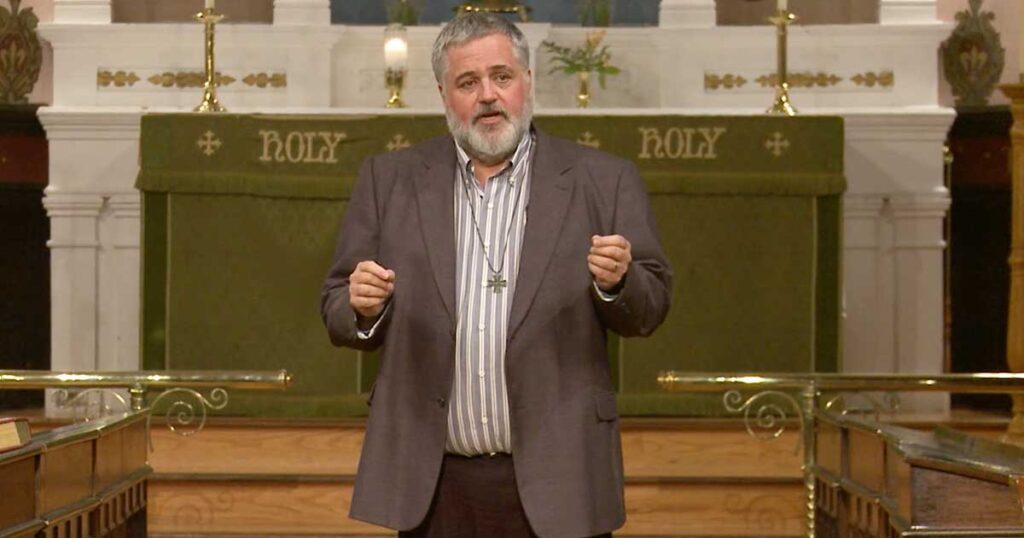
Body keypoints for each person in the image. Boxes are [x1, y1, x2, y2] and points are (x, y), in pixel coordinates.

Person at [321, 12, 672, 538]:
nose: (488, 95)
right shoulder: (390, 180)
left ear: (527, 81)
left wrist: (617, 283)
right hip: (433, 484)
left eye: (501, 76)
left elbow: (651, 306)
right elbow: (336, 305)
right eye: (468, 82)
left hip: (562, 480)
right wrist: (361, 307)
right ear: (444, 95)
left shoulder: (602, 179)